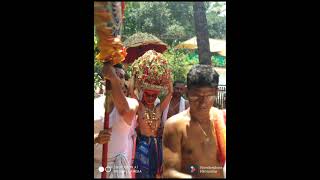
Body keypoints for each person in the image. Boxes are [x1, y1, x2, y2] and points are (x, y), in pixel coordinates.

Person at [163, 64, 226, 178]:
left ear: (216, 92)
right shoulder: (175, 125)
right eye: (196, 96)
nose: (202, 103)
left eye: (208, 96)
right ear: (187, 91)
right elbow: (169, 173)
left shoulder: (222, 120)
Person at [94, 62, 139, 178]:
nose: (118, 78)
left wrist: (113, 78)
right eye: (114, 74)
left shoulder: (132, 103)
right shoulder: (95, 103)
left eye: (121, 76)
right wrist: (96, 138)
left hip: (117, 169)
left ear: (125, 82)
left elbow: (125, 111)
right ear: (105, 77)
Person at [129, 78, 173, 178]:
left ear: (157, 96)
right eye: (147, 95)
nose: (150, 97)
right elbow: (131, 91)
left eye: (153, 95)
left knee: (157, 173)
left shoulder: (159, 108)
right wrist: (134, 76)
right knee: (142, 172)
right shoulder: (140, 107)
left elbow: (170, 93)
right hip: (143, 143)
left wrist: (169, 78)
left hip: (157, 144)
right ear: (143, 94)